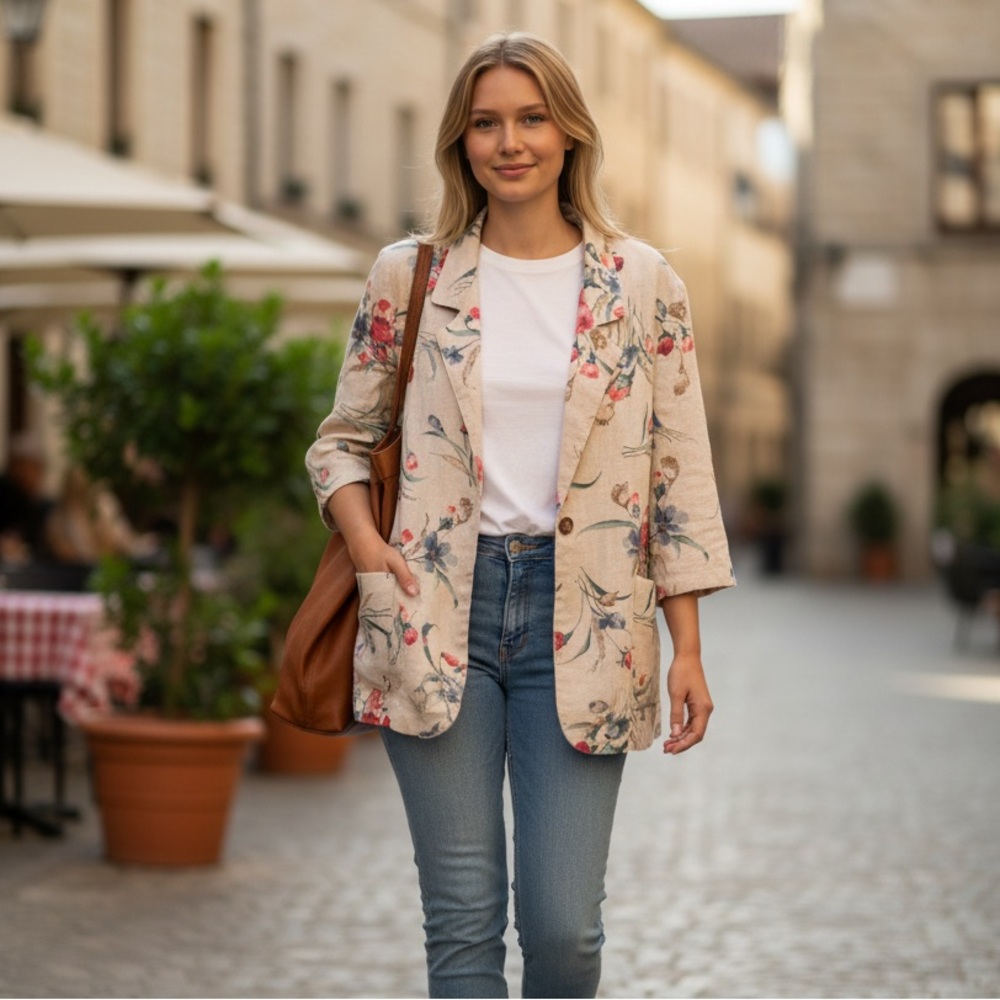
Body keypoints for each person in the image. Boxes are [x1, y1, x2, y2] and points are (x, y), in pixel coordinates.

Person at [306, 32, 734, 999]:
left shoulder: (643, 284)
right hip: (433, 606)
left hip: (585, 618)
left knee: (564, 930)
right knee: (460, 924)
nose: (511, 142)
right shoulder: (409, 276)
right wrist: (370, 545)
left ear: (570, 133)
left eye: (532, 118)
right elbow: (340, 440)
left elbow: (680, 477)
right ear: (461, 143)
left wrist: (690, 648)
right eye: (487, 122)